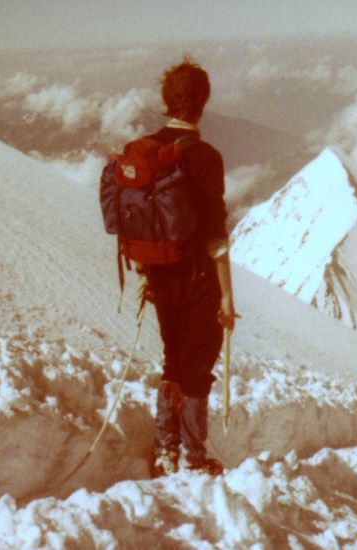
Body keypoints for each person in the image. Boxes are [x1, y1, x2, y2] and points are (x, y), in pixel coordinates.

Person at [138, 58, 236, 477]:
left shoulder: (145, 151)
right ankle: (194, 456)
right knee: (198, 364)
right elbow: (215, 234)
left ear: (166, 102)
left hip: (160, 275)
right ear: (202, 103)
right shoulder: (206, 157)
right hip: (197, 277)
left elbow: (143, 219)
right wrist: (228, 294)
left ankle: (166, 449)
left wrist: (147, 275)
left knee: (173, 358)